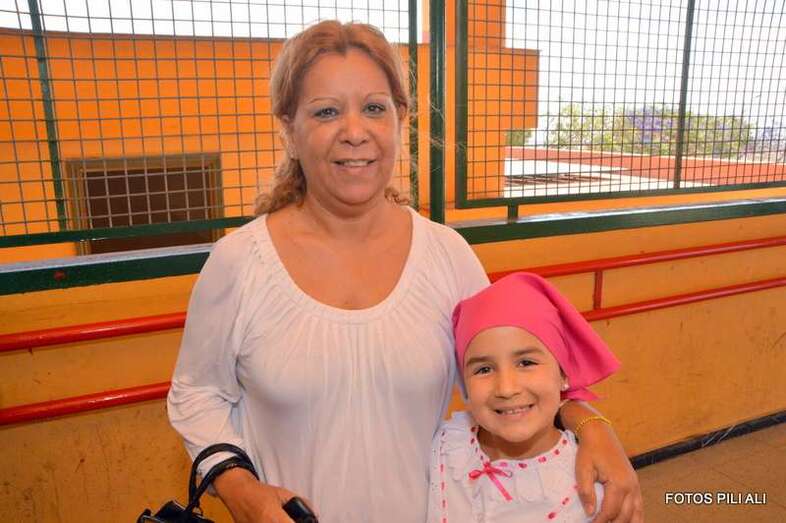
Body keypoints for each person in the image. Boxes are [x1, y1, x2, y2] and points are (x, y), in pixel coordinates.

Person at [167, 20, 643, 523]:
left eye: (374, 108)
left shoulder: (447, 256)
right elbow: (197, 394)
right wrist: (239, 488)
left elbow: (511, 374)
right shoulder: (240, 262)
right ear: (288, 129)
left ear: (401, 119)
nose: (355, 132)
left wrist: (591, 425)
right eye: (327, 111)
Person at [428, 272, 625, 522]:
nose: (506, 388)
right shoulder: (448, 444)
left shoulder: (589, 488)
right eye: (484, 369)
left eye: (526, 362)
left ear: (563, 374)